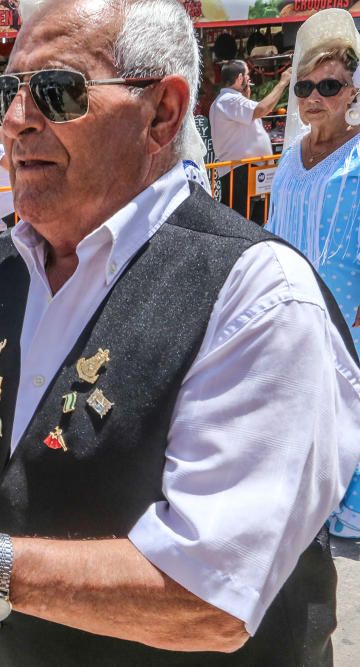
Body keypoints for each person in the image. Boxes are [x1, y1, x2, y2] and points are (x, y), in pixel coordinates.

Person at [0, 2, 360, 666]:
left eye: (56, 91)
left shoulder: (258, 296)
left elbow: (211, 596)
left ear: (161, 111)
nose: (16, 121)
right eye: (4, 93)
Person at [267, 8, 360, 538]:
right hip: (295, 306)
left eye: (329, 85)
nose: (313, 96)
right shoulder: (291, 153)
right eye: (305, 85)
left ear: (352, 91)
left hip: (350, 309)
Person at [209, 59, 291, 223]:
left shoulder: (232, 101)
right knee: (239, 223)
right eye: (248, 76)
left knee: (257, 221)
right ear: (240, 79)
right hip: (239, 171)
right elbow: (262, 109)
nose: (250, 81)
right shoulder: (228, 100)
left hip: (251, 170)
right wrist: (283, 83)